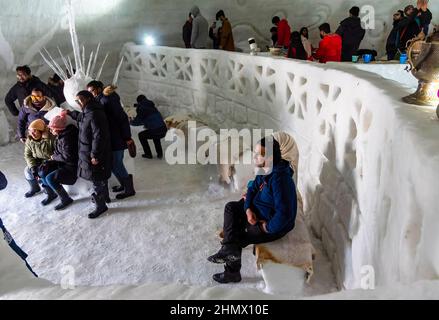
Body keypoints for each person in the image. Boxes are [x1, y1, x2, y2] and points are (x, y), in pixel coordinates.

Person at [208, 137, 298, 283]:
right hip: (257, 211)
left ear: (269, 157)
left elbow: (285, 215)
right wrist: (248, 209)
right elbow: (252, 188)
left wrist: (266, 227)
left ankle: (232, 270)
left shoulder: (280, 180)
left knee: (236, 233)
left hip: (271, 224)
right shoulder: (265, 170)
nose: (254, 157)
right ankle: (229, 249)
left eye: (258, 154)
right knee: (231, 208)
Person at [86, 81, 135, 200]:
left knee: (117, 164)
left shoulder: (108, 99)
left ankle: (129, 189)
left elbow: (122, 118)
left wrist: (127, 137)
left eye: (92, 91)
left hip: (117, 137)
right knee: (113, 165)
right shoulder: (100, 99)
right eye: (89, 92)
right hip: (110, 137)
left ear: (98, 88)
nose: (91, 94)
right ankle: (124, 185)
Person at [75, 90, 112, 219]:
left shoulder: (95, 113)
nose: (78, 103)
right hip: (89, 150)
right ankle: (105, 197)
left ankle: (101, 205)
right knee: (99, 175)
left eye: (80, 100)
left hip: (94, 151)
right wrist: (69, 113)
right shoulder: (88, 111)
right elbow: (82, 118)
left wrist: (94, 154)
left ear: (88, 99)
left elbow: (99, 136)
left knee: (96, 177)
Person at [38, 112, 78, 210]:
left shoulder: (67, 138)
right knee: (42, 171)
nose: (50, 130)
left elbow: (68, 157)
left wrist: (54, 157)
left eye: (52, 128)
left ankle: (66, 199)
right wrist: (53, 158)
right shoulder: (61, 136)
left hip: (71, 167)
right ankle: (51, 194)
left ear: (58, 128)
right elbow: (58, 152)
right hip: (62, 163)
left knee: (50, 178)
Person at [23, 119, 55, 199]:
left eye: (35, 131)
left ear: (41, 131)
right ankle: (35, 188)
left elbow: (53, 153)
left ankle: (50, 192)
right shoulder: (29, 140)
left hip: (51, 162)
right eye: (30, 131)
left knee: (42, 172)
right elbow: (28, 155)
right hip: (38, 161)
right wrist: (33, 167)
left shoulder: (50, 138)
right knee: (27, 170)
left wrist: (46, 139)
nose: (32, 134)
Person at [130, 95, 167, 160]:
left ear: (139, 102)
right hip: (164, 129)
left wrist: (130, 121)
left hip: (156, 130)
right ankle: (160, 154)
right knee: (155, 134)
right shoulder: (152, 106)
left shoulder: (141, 108)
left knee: (141, 135)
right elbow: (152, 119)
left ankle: (148, 154)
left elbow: (137, 122)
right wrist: (147, 125)